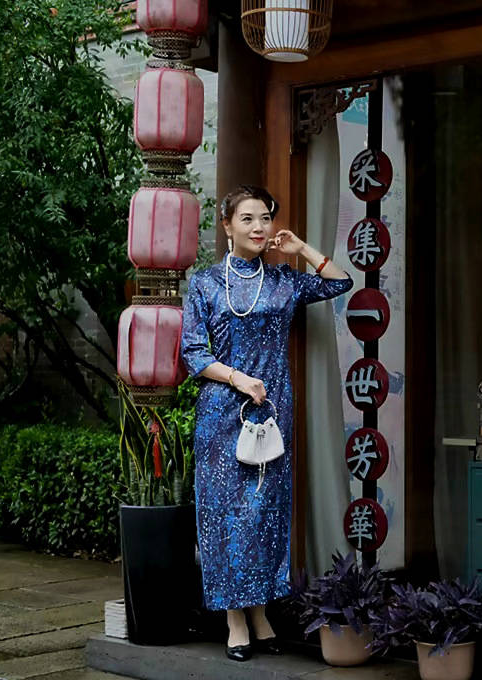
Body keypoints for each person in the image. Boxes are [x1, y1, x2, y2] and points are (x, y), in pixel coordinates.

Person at [180, 185, 352, 661]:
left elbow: (340, 283)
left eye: (266, 219)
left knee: (265, 514)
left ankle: (258, 612)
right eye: (249, 219)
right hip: (221, 413)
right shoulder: (205, 283)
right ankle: (236, 618)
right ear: (227, 224)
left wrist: (301, 250)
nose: (260, 228)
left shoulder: (283, 280)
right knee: (224, 517)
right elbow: (193, 353)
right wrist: (239, 379)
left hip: (271, 415)